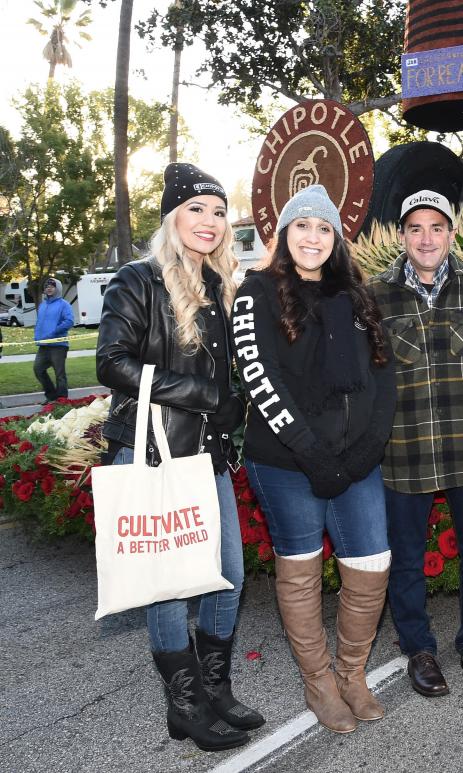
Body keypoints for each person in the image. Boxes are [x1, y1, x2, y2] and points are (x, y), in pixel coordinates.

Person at [97, 163, 263, 751]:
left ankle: (214, 687)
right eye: (197, 209)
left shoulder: (222, 287)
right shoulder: (138, 280)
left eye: (218, 211)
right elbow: (111, 363)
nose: (210, 221)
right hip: (153, 454)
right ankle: (186, 705)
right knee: (167, 584)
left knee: (227, 577)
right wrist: (201, 393)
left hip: (209, 456)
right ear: (173, 217)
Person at [233, 185, 396, 734]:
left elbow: (384, 378)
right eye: (302, 226)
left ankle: (352, 674)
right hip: (285, 461)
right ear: (283, 235)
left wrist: (366, 450)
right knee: (300, 572)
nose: (313, 237)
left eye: (324, 228)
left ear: (336, 239)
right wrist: (312, 454)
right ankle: (319, 682)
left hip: (355, 462)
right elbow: (261, 380)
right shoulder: (256, 291)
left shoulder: (357, 296)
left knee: (370, 563)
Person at [368, 190, 463, 698]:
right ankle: (418, 649)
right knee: (406, 558)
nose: (427, 238)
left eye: (437, 228)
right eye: (416, 228)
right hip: (405, 451)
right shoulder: (375, 295)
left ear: (450, 233)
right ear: (402, 235)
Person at [34, 276, 74, 401]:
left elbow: (69, 321)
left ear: (58, 288)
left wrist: (54, 332)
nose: (49, 288)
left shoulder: (64, 304)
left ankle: (62, 399)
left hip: (58, 345)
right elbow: (40, 322)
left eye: (52, 286)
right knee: (38, 369)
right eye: (46, 286)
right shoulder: (43, 305)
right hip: (44, 344)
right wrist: (37, 336)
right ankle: (51, 396)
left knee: (59, 374)